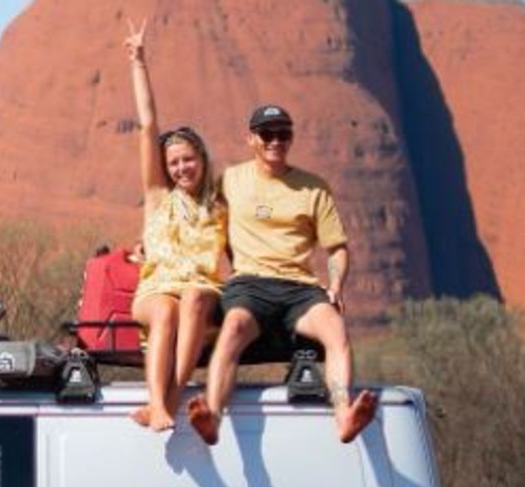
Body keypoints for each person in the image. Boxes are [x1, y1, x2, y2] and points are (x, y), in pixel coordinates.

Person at [187, 104, 377, 445]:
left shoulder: (313, 188)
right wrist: (150, 244)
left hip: (300, 289)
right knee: (233, 328)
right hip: (249, 284)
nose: (276, 141)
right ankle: (212, 417)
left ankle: (344, 414)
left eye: (283, 134)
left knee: (336, 331)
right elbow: (197, 219)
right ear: (251, 139)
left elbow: (336, 248)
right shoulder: (230, 180)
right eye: (267, 134)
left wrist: (335, 286)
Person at [121, 19, 227, 431]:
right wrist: (138, 62)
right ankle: (158, 404)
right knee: (165, 310)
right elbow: (148, 126)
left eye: (188, 159)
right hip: (155, 289)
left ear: (202, 159)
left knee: (196, 296)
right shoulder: (157, 196)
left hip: (202, 294)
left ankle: (170, 399)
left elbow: (250, 247)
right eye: (174, 162)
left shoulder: (220, 204)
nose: (182, 167)